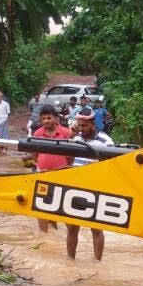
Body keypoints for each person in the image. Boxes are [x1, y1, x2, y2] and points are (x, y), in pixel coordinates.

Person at [66, 107, 114, 260]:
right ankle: (70, 260)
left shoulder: (106, 141)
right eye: (79, 125)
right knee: (72, 228)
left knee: (96, 229)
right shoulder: (76, 138)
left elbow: (110, 168)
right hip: (75, 186)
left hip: (95, 188)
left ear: (93, 123)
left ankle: (97, 262)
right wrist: (71, 136)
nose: (81, 129)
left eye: (84, 125)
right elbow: (69, 162)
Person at [31, 104, 73, 233]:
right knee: (41, 207)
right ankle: (44, 236)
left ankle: (59, 232)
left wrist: (66, 169)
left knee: (60, 207)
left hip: (61, 176)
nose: (46, 121)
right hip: (42, 175)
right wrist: (39, 167)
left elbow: (71, 156)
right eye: (43, 119)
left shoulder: (66, 133)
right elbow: (35, 155)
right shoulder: (37, 133)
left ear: (55, 118)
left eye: (48, 118)